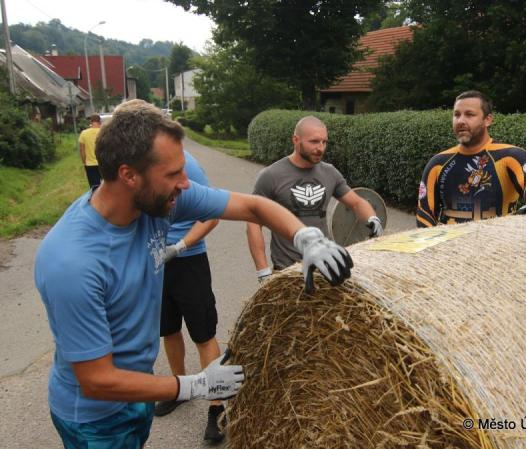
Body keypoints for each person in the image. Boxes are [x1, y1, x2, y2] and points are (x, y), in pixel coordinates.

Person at [34, 100, 353, 448]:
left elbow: (252, 206)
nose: (185, 184)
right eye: (173, 174)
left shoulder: (156, 200)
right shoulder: (72, 262)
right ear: (129, 175)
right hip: (95, 418)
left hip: (135, 392)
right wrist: (195, 385)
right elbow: (97, 380)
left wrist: (306, 238)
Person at [246, 116, 382, 283]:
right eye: (314, 142)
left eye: (324, 142)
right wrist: (263, 271)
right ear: (296, 140)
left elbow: (356, 202)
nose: (320, 148)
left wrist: (372, 218)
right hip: (287, 272)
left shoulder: (330, 173)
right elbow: (253, 224)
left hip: (324, 267)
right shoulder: (271, 175)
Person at [152, 150, 226, 443]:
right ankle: (181, 389)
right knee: (168, 329)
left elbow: (213, 215)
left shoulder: (186, 165)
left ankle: (217, 408)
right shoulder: (142, 161)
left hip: (189, 260)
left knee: (203, 335)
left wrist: (180, 245)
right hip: (157, 262)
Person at [416, 90, 526, 227]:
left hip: (498, 240)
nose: (460, 121)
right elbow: (424, 216)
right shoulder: (437, 163)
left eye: (469, 114)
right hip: (451, 242)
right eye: (457, 115)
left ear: (487, 120)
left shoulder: (512, 155)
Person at [79, 114, 102, 188]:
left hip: (90, 165)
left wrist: (84, 162)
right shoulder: (104, 132)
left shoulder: (84, 133)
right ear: (100, 122)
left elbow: (82, 150)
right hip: (104, 163)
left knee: (94, 187)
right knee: (107, 185)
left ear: (91, 122)